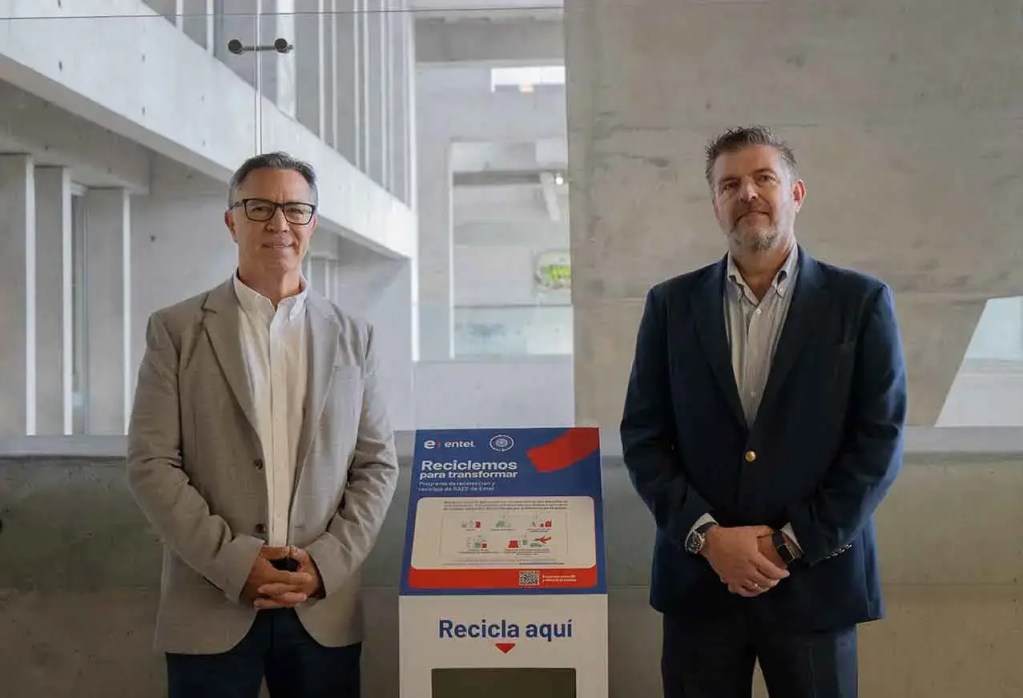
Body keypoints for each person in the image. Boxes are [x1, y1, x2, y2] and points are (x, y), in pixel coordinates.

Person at [620, 126, 907, 698]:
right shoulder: (670, 306)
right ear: (715, 205)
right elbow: (645, 437)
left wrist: (789, 543)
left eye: (763, 178)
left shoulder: (861, 303)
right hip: (701, 587)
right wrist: (708, 538)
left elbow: (878, 442)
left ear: (796, 194)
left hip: (815, 586)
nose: (747, 193)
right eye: (730, 184)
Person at [126, 152, 399, 698]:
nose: (279, 224)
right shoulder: (177, 331)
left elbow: (376, 464)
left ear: (312, 223)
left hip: (322, 607)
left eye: (296, 210)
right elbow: (151, 462)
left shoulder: (354, 336)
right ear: (232, 220)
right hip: (210, 604)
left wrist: (324, 565)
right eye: (260, 208)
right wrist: (234, 563)